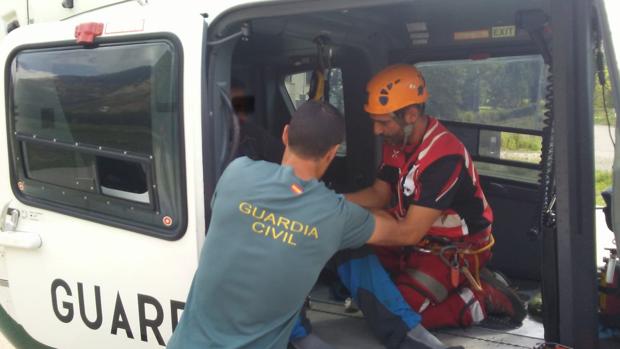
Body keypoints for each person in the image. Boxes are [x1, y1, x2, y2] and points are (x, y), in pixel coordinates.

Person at [166, 101, 460, 349]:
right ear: (333, 153)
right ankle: (410, 337)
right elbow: (403, 233)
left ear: (285, 135)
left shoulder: (236, 173)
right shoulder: (335, 215)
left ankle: (303, 334)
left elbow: (257, 226)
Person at [342, 64, 526, 330]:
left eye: (383, 122)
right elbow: (379, 195)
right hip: (417, 235)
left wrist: (350, 223)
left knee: (400, 317)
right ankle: (417, 285)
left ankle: (481, 297)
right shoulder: (398, 143)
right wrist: (333, 202)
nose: (376, 131)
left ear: (411, 115)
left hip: (454, 247)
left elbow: (408, 233)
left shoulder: (443, 156)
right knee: (350, 256)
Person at [231, 78, 284, 163]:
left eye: (244, 101)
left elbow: (280, 153)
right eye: (237, 104)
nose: (243, 108)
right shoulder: (215, 141)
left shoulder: (253, 133)